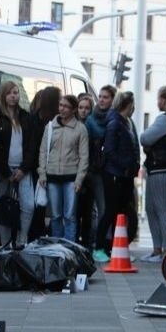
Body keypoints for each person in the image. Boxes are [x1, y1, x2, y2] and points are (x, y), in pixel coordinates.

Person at [0, 81, 37, 248]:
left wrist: (24, 169)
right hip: (3, 171)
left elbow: (32, 146)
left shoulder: (25, 117)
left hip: (23, 169)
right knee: (4, 206)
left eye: (16, 92)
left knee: (28, 204)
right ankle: (5, 244)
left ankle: (22, 239)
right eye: (10, 93)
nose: (13, 96)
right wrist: (6, 172)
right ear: (3, 95)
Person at [139, 83, 166, 262]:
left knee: (161, 209)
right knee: (151, 208)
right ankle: (158, 250)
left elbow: (144, 138)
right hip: (162, 167)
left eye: (158, 99)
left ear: (164, 101)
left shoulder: (164, 119)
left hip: (161, 168)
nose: (157, 102)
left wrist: (149, 144)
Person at [93, 91, 139, 262]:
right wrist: (125, 165)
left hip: (124, 175)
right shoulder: (115, 123)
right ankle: (99, 247)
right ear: (128, 104)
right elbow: (110, 151)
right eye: (132, 104)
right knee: (110, 211)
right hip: (114, 174)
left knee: (120, 212)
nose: (134, 107)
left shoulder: (126, 122)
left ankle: (115, 247)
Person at [37, 94, 89, 242]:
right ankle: (56, 247)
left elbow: (84, 157)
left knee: (70, 215)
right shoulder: (50, 127)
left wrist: (79, 179)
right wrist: (42, 173)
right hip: (52, 176)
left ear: (73, 110)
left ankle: (69, 248)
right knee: (55, 215)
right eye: (61, 105)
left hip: (71, 178)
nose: (62, 109)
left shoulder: (80, 129)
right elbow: (43, 151)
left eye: (66, 106)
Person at [85, 85, 116, 249]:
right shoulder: (91, 119)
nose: (102, 100)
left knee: (110, 208)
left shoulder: (117, 117)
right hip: (97, 170)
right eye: (101, 96)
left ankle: (109, 242)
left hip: (113, 171)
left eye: (106, 97)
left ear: (113, 99)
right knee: (101, 208)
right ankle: (101, 242)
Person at [28, 86, 62, 240]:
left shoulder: (34, 118)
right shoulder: (54, 122)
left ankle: (36, 235)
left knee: (38, 205)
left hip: (36, 167)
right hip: (49, 168)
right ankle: (41, 235)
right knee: (50, 207)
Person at [75, 93, 96, 249]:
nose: (83, 111)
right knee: (74, 213)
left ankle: (87, 245)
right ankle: (75, 243)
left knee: (87, 213)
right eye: (81, 107)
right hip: (74, 173)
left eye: (87, 108)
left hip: (89, 175)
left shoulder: (92, 128)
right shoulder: (73, 126)